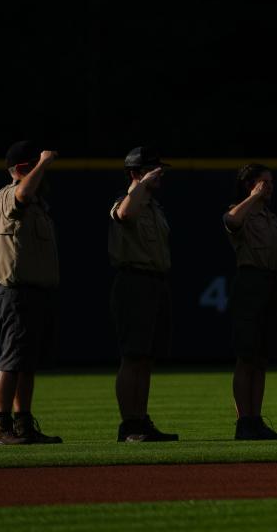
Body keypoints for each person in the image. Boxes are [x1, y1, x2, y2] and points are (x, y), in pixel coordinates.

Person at [0, 141, 63, 445]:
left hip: (34, 293)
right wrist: (43, 163)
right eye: (35, 166)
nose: (43, 173)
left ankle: (22, 424)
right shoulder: (11, 194)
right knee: (12, 360)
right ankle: (1, 427)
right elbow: (21, 194)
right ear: (23, 169)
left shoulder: (37, 205)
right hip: (16, 293)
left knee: (27, 362)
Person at [109, 147, 178, 443]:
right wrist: (140, 184)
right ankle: (129, 424)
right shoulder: (126, 202)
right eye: (153, 169)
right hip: (133, 281)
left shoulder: (154, 208)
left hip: (155, 282)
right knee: (133, 356)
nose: (160, 174)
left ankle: (141, 419)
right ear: (137, 173)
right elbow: (125, 214)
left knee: (146, 358)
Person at [224, 164, 277, 440]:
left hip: (271, 282)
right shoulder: (242, 210)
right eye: (265, 182)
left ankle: (256, 420)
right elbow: (231, 221)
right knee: (246, 356)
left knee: (261, 357)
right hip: (250, 282)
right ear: (251, 184)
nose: (269, 187)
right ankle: (244, 422)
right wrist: (252, 196)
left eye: (271, 182)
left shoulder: (272, 218)